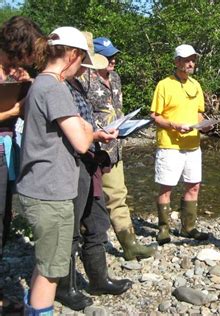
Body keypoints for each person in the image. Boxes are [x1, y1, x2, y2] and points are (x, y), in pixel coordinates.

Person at [16, 26, 94, 315]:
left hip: (37, 187)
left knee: (44, 261)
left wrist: (85, 129)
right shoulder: (55, 87)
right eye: (82, 59)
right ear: (72, 54)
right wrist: (87, 128)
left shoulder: (39, 83)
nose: (81, 69)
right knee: (52, 270)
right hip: (51, 192)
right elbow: (82, 142)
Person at [55, 31, 131, 312]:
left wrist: (99, 135)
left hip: (92, 160)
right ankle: (66, 287)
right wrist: (97, 135)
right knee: (72, 228)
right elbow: (72, 132)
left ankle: (99, 279)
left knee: (97, 220)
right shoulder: (59, 87)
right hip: (74, 163)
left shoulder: (74, 84)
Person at [81, 37, 155, 261]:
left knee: (118, 195)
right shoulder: (82, 79)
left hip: (113, 149)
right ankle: (83, 245)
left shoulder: (115, 78)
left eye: (114, 55)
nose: (113, 59)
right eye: (108, 55)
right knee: (85, 200)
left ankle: (129, 244)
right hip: (89, 149)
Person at [0, 15, 43, 314]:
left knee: (4, 221)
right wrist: (13, 109)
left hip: (7, 153)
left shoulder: (12, 72)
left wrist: (25, 88)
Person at [150, 44, 211, 245]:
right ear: (177, 62)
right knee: (166, 188)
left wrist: (204, 125)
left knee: (194, 186)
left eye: (193, 59)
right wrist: (173, 125)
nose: (191, 63)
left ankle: (188, 228)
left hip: (193, 145)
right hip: (170, 145)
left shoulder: (196, 85)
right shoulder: (164, 85)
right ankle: (164, 229)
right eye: (186, 60)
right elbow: (155, 116)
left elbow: (199, 112)